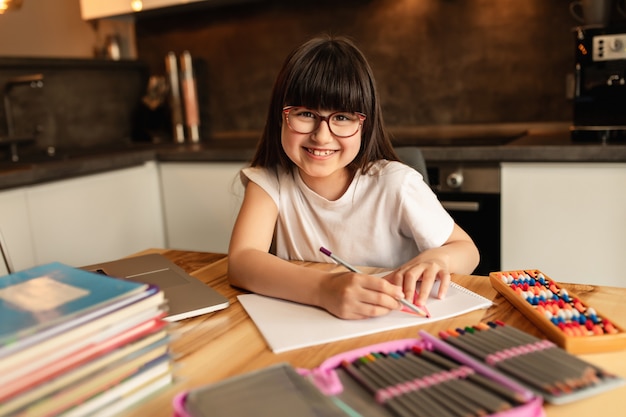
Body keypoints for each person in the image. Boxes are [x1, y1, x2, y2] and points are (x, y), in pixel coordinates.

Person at [228, 35, 479, 320]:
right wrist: (324, 289)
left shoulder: (396, 183)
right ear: (280, 117)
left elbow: (466, 249)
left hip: (395, 324)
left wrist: (437, 259)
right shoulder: (269, 182)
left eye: (342, 118)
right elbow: (242, 261)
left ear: (365, 124)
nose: (321, 136)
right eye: (306, 113)